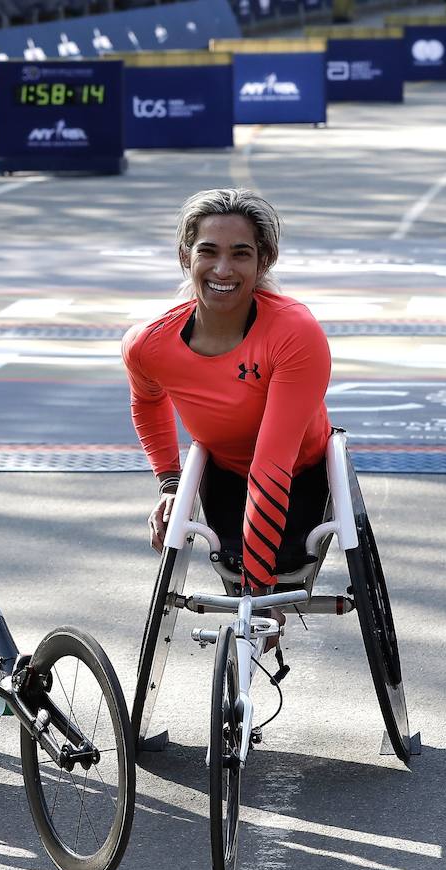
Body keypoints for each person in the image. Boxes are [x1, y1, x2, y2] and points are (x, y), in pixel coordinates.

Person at [121, 187, 332, 641]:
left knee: (281, 566)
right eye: (208, 252)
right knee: (232, 562)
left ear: (264, 261)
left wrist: (258, 593)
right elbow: (147, 400)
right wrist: (171, 484)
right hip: (224, 472)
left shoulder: (295, 332)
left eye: (241, 254)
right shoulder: (149, 343)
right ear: (185, 256)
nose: (223, 269)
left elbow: (272, 464)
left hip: (301, 474)